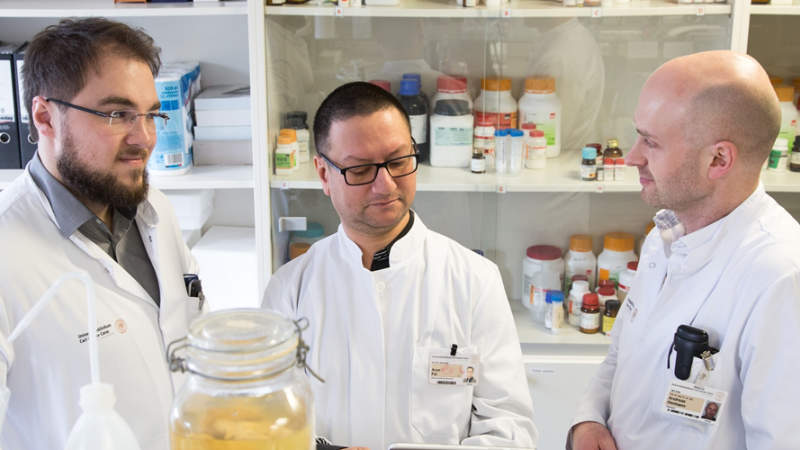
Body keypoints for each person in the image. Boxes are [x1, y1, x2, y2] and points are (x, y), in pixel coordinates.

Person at [262, 82, 537, 450]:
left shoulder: (474, 280)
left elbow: (511, 430)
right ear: (324, 175)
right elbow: (264, 422)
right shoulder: (289, 290)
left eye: (398, 161)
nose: (385, 185)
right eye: (360, 170)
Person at [569, 50, 800, 450]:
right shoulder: (667, 235)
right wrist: (588, 419)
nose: (631, 156)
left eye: (651, 143)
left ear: (718, 159)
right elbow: (621, 357)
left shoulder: (781, 278)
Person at [0, 18, 201, 449]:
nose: (144, 138)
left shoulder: (154, 211)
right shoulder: (7, 250)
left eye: (151, 114)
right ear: (43, 116)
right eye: (116, 114)